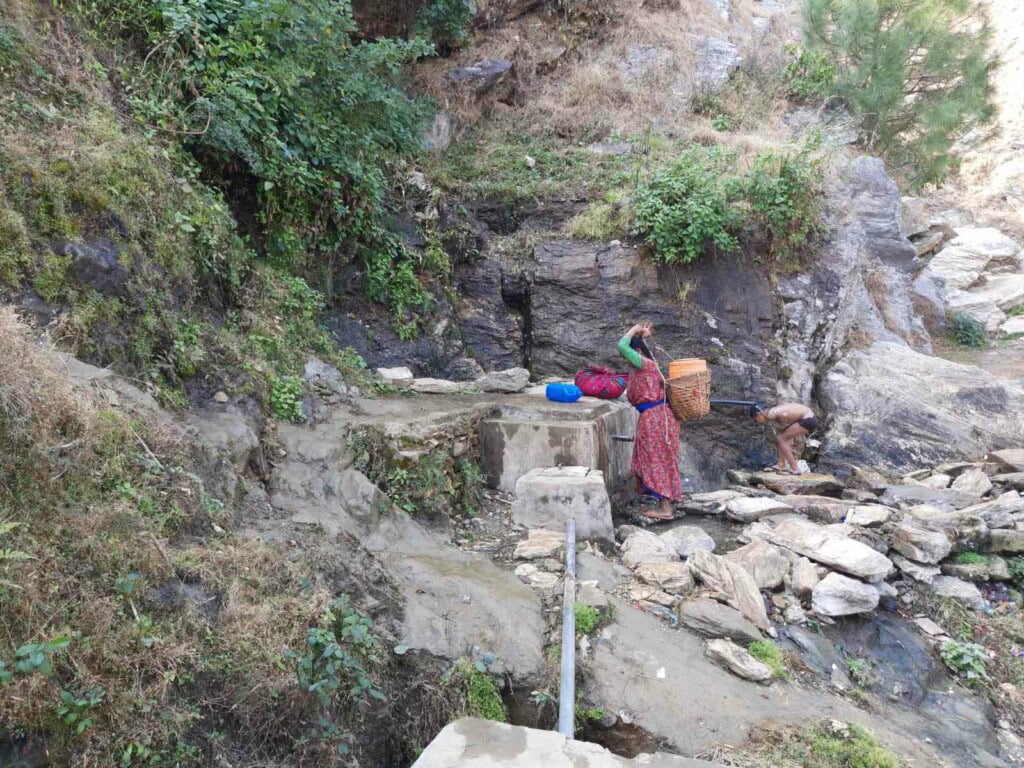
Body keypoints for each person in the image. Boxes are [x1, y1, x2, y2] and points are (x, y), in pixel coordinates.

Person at [617, 322, 682, 520]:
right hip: (660, 417)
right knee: (659, 457)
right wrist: (642, 336)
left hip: (655, 419)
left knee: (655, 459)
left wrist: (633, 329)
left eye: (631, 354)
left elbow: (621, 346)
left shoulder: (644, 365)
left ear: (636, 351)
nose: (626, 359)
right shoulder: (651, 365)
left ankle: (665, 508)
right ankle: (661, 498)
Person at [749, 402, 819, 475]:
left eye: (756, 419)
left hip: (808, 419)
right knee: (781, 437)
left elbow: (784, 415)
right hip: (808, 417)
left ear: (759, 414)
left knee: (781, 439)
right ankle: (781, 465)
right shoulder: (772, 411)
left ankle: (795, 469)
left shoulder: (774, 413)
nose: (757, 422)